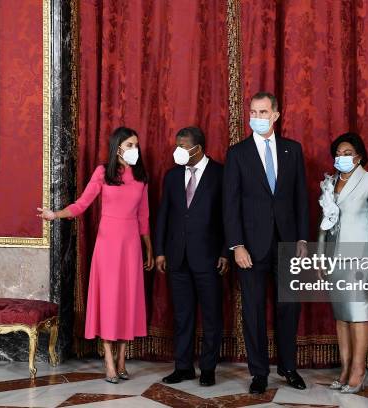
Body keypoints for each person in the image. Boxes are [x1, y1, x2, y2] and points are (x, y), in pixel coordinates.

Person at [37, 127, 154, 383]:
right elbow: (81, 204)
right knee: (110, 301)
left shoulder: (142, 176)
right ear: (118, 147)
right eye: (130, 145)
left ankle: (123, 360)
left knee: (128, 301)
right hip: (108, 246)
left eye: (137, 144)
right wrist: (54, 214)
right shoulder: (103, 172)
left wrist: (149, 249)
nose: (135, 149)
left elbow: (144, 217)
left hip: (132, 245)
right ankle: (109, 361)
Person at [223, 92, 309, 394]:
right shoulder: (237, 153)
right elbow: (229, 204)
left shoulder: (292, 150)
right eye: (253, 112)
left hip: (287, 244)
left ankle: (288, 367)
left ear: (276, 115)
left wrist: (301, 238)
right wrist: (236, 245)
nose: (257, 117)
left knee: (289, 308)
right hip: (250, 247)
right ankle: (258, 372)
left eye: (263, 112)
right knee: (254, 310)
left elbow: (301, 197)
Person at [155, 126, 228, 387]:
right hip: (177, 257)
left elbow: (227, 216)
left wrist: (225, 252)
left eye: (183, 146)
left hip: (209, 257)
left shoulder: (221, 173)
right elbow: (164, 214)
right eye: (177, 145)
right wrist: (161, 250)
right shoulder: (172, 176)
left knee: (211, 316)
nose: (178, 151)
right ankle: (183, 366)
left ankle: (208, 368)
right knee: (182, 315)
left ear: (198, 148)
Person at [318, 132, 368, 394]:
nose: (342, 157)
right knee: (342, 317)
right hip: (334, 259)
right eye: (338, 153)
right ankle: (346, 368)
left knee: (358, 316)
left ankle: (359, 370)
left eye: (347, 153)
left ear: (359, 155)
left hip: (361, 259)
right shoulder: (330, 182)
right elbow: (324, 224)